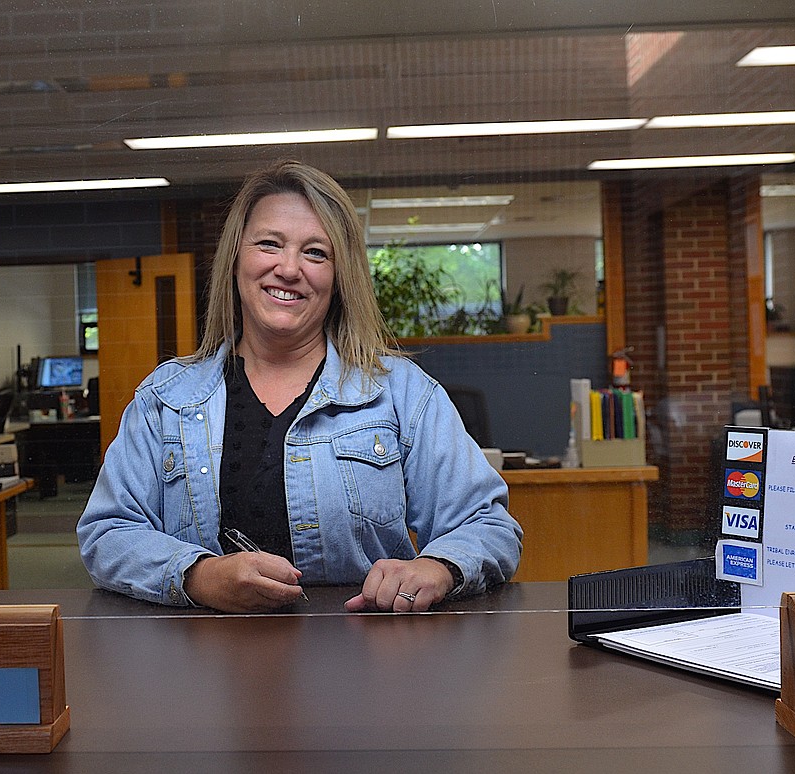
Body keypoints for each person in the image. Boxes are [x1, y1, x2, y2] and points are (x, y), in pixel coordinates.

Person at [78, 160, 522, 613]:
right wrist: (198, 575)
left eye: (315, 252)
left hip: (366, 665)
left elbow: (488, 524)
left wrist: (439, 567)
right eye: (269, 244)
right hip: (201, 668)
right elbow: (108, 533)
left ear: (339, 276)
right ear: (235, 259)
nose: (288, 269)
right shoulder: (164, 398)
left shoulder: (403, 393)